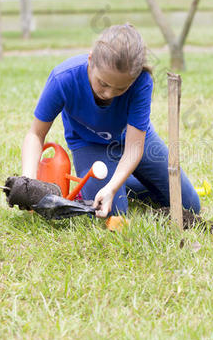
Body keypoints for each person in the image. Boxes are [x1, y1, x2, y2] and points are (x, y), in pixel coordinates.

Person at [21, 24, 201, 218]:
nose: (108, 94)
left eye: (120, 89)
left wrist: (112, 187)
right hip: (90, 144)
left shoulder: (142, 81)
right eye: (103, 83)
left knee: (189, 205)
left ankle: (120, 180)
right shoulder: (63, 78)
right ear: (91, 60)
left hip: (134, 142)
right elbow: (35, 134)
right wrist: (27, 183)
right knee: (111, 212)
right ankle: (108, 183)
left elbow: (134, 147)